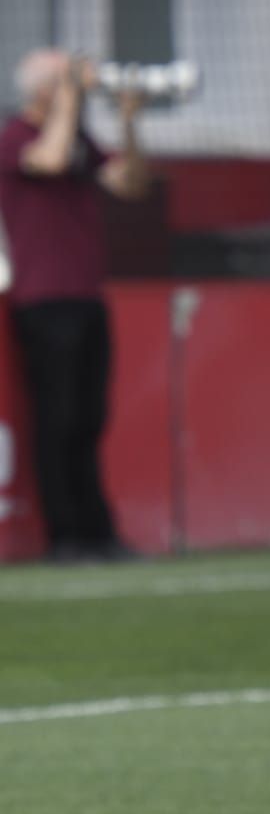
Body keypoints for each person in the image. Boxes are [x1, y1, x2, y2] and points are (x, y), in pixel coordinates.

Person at [0, 50, 150, 562]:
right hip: (43, 299)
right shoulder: (16, 137)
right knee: (58, 416)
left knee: (89, 417)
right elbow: (52, 158)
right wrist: (68, 95)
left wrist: (128, 122)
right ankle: (65, 535)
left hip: (87, 296)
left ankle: (97, 531)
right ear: (44, 90)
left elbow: (131, 181)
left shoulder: (82, 139)